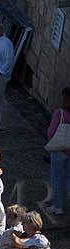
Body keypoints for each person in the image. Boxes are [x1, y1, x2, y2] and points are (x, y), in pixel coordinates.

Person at [49, 88, 70, 216]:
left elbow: (51, 131)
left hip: (59, 149)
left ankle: (58, 206)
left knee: (56, 178)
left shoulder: (60, 113)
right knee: (68, 177)